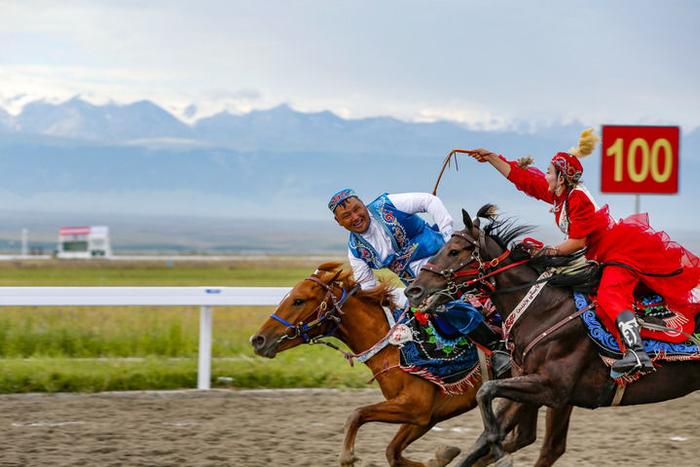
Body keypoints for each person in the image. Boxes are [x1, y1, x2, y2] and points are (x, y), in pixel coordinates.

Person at [469, 129, 700, 376]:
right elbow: (524, 179)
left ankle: (637, 353)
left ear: (560, 178)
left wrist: (548, 250)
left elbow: (578, 241)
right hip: (602, 254)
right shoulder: (560, 194)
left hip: (620, 252)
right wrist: (492, 157)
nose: (545, 176)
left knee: (611, 295)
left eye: (549, 172)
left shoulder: (577, 198)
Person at [329, 189, 511, 377]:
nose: (355, 217)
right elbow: (369, 288)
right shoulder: (356, 251)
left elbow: (428, 201)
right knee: (424, 316)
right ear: (339, 222)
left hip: (450, 266)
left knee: (445, 304)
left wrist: (448, 236)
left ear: (362, 203)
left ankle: (497, 348)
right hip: (421, 288)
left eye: (357, 209)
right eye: (346, 216)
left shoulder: (387, 205)